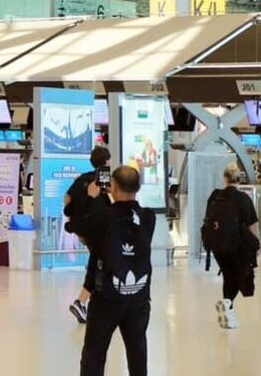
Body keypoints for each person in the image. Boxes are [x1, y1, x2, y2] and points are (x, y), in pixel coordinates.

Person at [80, 164, 154, 376]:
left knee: (95, 352)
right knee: (137, 351)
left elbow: (82, 231)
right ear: (138, 187)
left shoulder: (103, 216)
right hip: (139, 297)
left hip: (107, 296)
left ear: (112, 187)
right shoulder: (148, 218)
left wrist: (93, 199)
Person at [200, 163, 258, 329]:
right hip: (236, 245)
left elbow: (208, 218)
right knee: (238, 276)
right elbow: (252, 226)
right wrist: (256, 245)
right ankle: (227, 304)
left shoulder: (215, 196)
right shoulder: (244, 199)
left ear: (225, 178)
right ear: (239, 179)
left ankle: (228, 312)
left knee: (228, 275)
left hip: (216, 244)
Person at [64, 145, 113, 323]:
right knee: (97, 262)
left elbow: (67, 198)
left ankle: (84, 301)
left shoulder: (81, 179)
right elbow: (113, 197)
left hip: (82, 227)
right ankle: (81, 301)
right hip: (97, 228)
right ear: (106, 161)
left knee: (97, 259)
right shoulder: (102, 176)